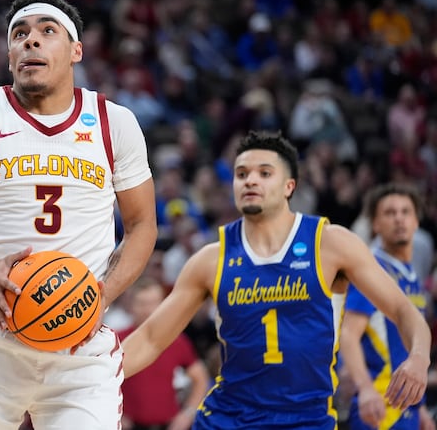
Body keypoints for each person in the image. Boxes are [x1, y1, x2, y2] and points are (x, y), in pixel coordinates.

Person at [0, 0, 157, 429]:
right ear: (9, 56)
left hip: (82, 350)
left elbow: (141, 227)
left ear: (75, 50)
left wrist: (104, 295)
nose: (31, 41)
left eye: (48, 31)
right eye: (20, 34)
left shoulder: (112, 122)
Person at [121, 130, 431, 429]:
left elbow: (405, 312)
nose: (250, 180)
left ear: (289, 186)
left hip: (306, 419)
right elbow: (151, 338)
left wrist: (418, 358)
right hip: (228, 419)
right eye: (241, 174)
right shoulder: (210, 260)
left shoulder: (330, 244)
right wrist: (97, 373)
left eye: (264, 173)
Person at [339, 183, 435, 430]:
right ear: (375, 224)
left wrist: (420, 407)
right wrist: (365, 389)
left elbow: (409, 344)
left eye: (406, 212)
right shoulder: (372, 269)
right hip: (380, 405)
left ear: (416, 221)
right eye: (390, 213)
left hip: (407, 405)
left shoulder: (411, 273)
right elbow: (349, 335)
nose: (399, 219)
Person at [117, 277, 209, 430]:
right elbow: (101, 381)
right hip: (129, 424)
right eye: (142, 303)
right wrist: (115, 412)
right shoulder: (118, 340)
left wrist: (188, 413)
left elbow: (200, 378)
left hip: (167, 424)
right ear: (131, 306)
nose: (148, 310)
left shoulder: (176, 340)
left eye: (153, 303)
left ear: (162, 305)